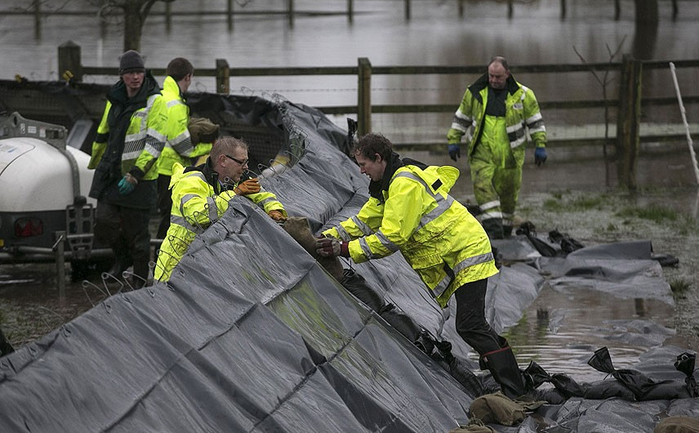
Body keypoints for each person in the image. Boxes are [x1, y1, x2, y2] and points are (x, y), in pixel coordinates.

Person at [316, 133, 526, 398]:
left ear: (378, 159)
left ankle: (514, 390)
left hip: (466, 251)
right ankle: (512, 382)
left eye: (363, 164)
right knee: (474, 324)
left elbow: (392, 237)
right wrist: (330, 237)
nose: (361, 171)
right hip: (460, 251)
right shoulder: (388, 185)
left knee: (470, 325)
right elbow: (363, 221)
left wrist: (344, 250)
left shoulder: (403, 186)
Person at [154, 136, 287, 282]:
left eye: (247, 162)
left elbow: (264, 195)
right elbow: (198, 215)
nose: (246, 167)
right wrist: (235, 194)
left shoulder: (236, 181)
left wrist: (275, 210)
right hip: (177, 265)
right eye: (241, 162)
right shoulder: (190, 181)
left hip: (208, 262)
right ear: (223, 160)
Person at [87, 50, 168, 288]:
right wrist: (95, 163)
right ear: (122, 75)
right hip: (111, 172)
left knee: (139, 237)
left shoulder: (156, 101)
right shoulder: (115, 99)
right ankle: (123, 260)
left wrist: (135, 174)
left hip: (140, 179)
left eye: (139, 72)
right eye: (130, 73)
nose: (135, 77)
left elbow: (155, 144)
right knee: (103, 222)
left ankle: (140, 282)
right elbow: (104, 132)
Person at [447, 56, 547, 239]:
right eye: (491, 75)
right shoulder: (475, 92)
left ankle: (506, 234)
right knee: (484, 191)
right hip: (481, 154)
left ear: (507, 74)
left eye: (498, 77)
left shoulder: (524, 95)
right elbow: (462, 117)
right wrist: (454, 139)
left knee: (508, 199)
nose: (493, 80)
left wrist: (540, 144)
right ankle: (493, 234)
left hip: (510, 156)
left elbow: (535, 122)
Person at [155, 57, 217, 240]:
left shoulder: (161, 96)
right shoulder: (175, 104)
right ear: (188, 77)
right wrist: (208, 147)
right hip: (168, 168)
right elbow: (183, 147)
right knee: (171, 216)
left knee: (167, 214)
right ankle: (161, 251)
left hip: (158, 165)